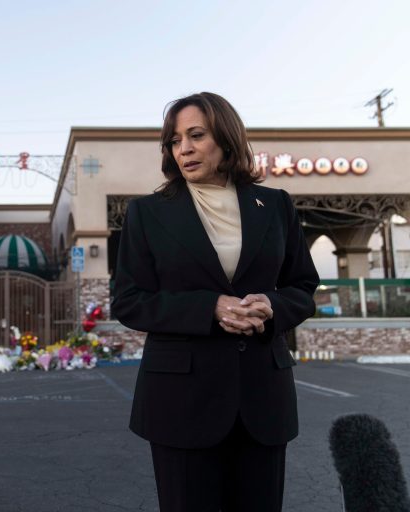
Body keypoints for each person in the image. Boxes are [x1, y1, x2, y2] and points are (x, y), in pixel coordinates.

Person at [111, 92, 319, 511]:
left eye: (196, 135)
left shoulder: (275, 205)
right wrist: (210, 307)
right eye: (174, 140)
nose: (183, 148)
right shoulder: (147, 213)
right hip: (180, 401)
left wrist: (273, 306)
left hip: (264, 399)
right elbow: (129, 300)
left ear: (225, 137)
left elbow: (303, 286)